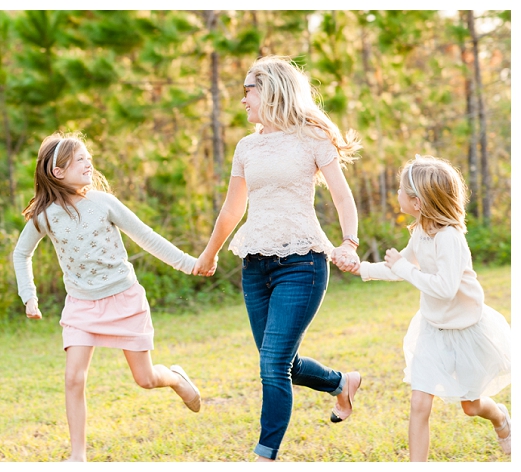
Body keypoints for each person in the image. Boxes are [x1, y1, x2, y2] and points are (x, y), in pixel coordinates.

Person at [193, 55, 364, 461]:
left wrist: (350, 242)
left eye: (247, 90)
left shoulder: (312, 138)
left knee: (272, 366)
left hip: (302, 263)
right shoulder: (246, 147)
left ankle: (263, 456)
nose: (242, 100)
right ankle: (343, 383)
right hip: (255, 266)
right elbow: (232, 210)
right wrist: (209, 252)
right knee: (281, 361)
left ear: (270, 89)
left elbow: (341, 195)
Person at [12, 131, 202, 462]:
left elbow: (146, 236)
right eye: (79, 159)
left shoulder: (104, 203)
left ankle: (174, 378)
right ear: (58, 171)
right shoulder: (46, 216)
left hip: (123, 300)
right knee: (73, 377)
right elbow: (20, 254)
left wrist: (188, 264)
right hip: (81, 305)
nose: (89, 162)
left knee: (145, 379)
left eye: (88, 157)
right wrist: (29, 295)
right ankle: (78, 456)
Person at [353, 154, 511, 461]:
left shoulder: (449, 238)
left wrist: (404, 268)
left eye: (400, 190)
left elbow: (444, 287)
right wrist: (363, 269)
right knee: (419, 403)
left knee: (471, 406)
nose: (396, 194)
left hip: (466, 331)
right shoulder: (420, 232)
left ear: (417, 202)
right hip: (433, 328)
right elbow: (400, 266)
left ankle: (501, 418)